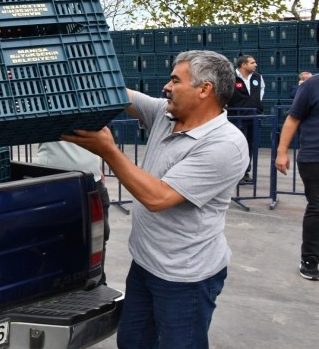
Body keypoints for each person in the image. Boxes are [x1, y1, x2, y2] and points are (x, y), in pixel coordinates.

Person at [63, 50, 249, 348]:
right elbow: (121, 94)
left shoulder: (225, 145)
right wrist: (69, 62)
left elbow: (158, 197)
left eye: (175, 80)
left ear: (204, 89)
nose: (167, 86)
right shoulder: (166, 114)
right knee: (133, 341)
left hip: (185, 278)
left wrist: (108, 151)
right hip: (145, 264)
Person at [37, 141, 111, 270]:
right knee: (58, 241)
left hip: (92, 179)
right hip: (56, 182)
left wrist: (96, 166)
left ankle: (97, 280)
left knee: (98, 238)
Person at [275, 74, 319, 281]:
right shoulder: (312, 85)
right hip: (314, 158)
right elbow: (293, 118)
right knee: (317, 207)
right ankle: (310, 259)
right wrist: (282, 151)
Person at [227, 54, 264, 183]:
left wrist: (256, 104)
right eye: (252, 62)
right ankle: (235, 175)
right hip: (237, 117)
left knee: (250, 145)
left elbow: (261, 91)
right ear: (243, 65)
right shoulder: (231, 78)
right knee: (238, 146)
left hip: (254, 116)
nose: (256, 64)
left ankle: (245, 172)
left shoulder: (258, 77)